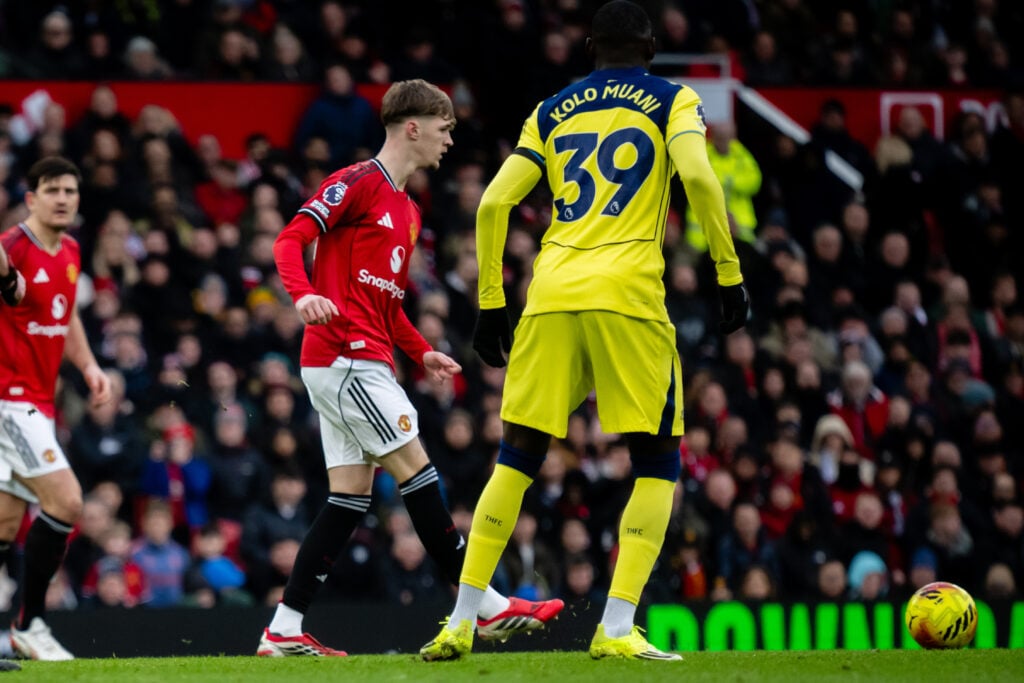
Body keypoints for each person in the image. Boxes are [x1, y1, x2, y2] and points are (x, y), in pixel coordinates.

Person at [421, 0, 748, 663]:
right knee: (656, 460)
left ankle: (460, 620)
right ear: (650, 46)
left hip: (550, 292)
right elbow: (699, 180)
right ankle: (618, 625)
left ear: (591, 49)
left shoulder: (551, 109)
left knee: (517, 456)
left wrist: (491, 302)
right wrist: (727, 271)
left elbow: (492, 202)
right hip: (627, 295)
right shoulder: (671, 100)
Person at [259, 79, 563, 657]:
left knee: (348, 498)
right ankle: (487, 607)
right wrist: (301, 296)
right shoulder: (355, 182)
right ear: (413, 126)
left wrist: (421, 350)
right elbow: (288, 240)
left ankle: (284, 628)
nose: (451, 141)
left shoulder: (409, 210)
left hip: (362, 357)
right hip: (345, 357)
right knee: (418, 472)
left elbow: (388, 305)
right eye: (445, 129)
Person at [0, 156, 112, 661]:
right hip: (8, 401)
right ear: (31, 198)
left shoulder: (68, 249)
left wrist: (88, 366)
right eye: (52, 190)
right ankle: (31, 624)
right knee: (67, 503)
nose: (63, 197)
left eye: (70, 189)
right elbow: (15, 291)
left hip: (38, 403)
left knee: (4, 524)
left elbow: (65, 316)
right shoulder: (10, 249)